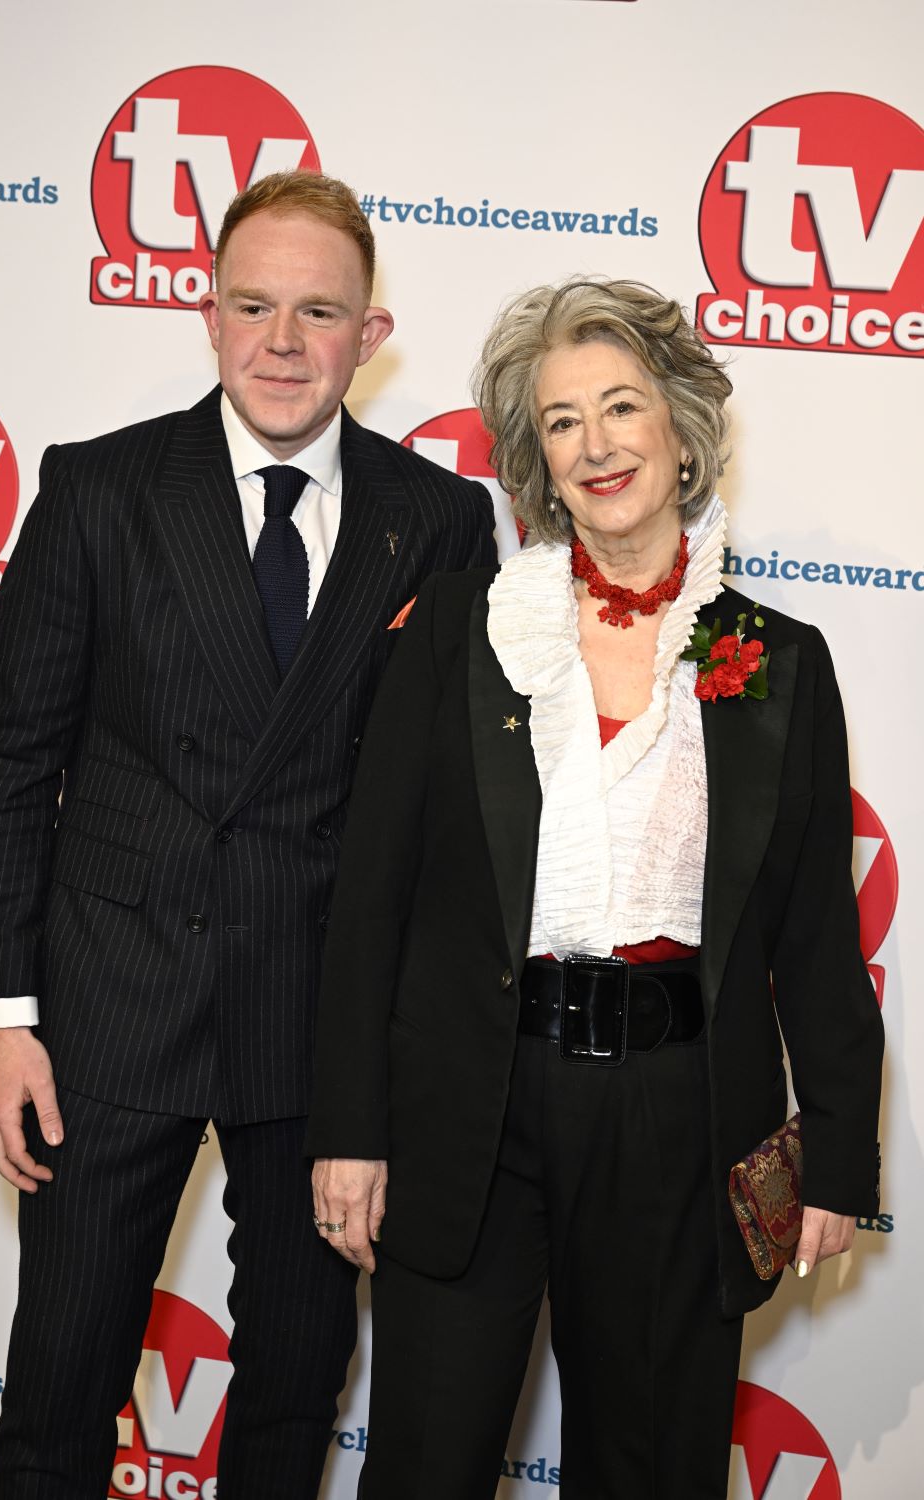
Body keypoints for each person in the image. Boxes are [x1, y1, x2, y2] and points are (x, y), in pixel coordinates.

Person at [0, 170, 496, 1500]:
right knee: (59, 1393)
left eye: (320, 312)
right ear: (207, 314)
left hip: (317, 1025)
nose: (282, 341)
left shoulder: (438, 521)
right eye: (253, 305)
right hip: (109, 1007)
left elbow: (445, 810)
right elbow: (17, 756)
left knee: (296, 1396)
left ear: (373, 335)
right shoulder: (98, 489)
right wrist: (7, 1014)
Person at [305, 278, 884, 1499]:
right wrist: (350, 1131)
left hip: (676, 1123)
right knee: (424, 1463)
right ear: (535, 459)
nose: (595, 443)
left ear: (680, 432)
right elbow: (371, 899)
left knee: (653, 1471)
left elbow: (814, 936)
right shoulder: (463, 627)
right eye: (561, 421)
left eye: (621, 408)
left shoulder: (781, 662)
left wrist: (837, 1153)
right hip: (471, 1106)